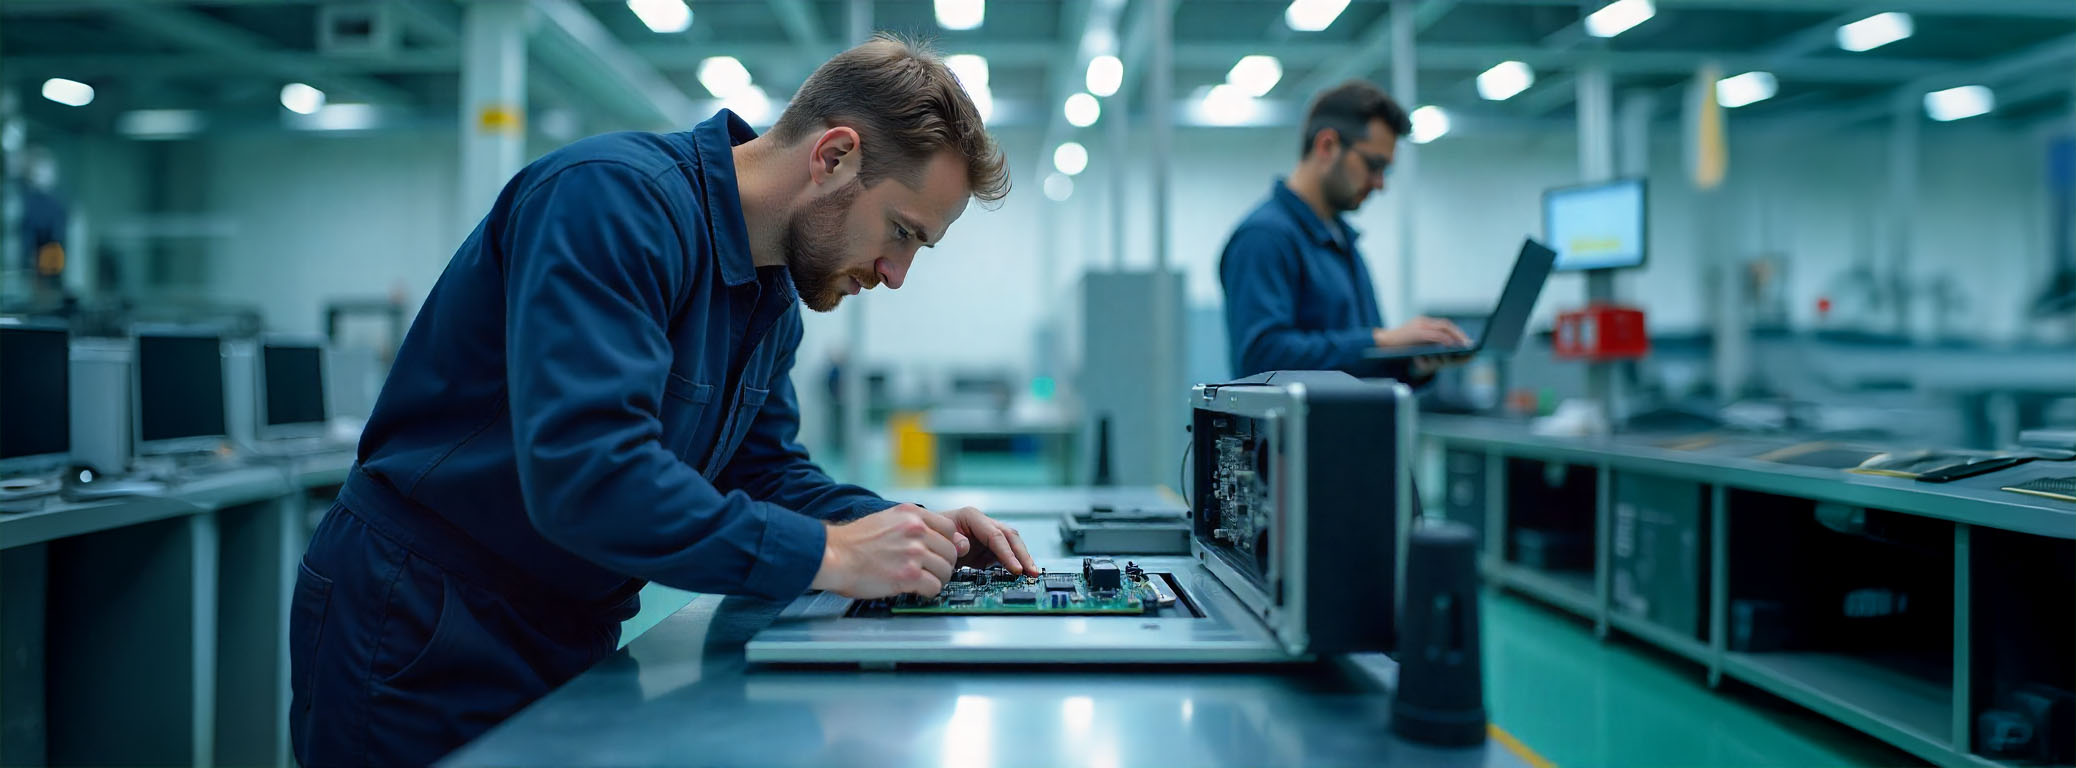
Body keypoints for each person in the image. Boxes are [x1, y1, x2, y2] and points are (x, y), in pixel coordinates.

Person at [290, 35, 1030, 766]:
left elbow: (763, 471)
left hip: (567, 623)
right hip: (424, 620)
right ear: (833, 157)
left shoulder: (771, 299)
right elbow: (590, 478)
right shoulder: (611, 201)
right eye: (901, 232)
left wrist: (900, 529)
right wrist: (831, 553)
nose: (896, 273)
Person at [1219, 80, 1471, 381]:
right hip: (1299, 429)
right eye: (1373, 165)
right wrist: (1380, 340)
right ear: (1327, 146)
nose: (1380, 184)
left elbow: (1357, 364)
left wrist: (1411, 363)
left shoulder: (1342, 241)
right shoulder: (1265, 238)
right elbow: (1261, 358)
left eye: (1385, 171)